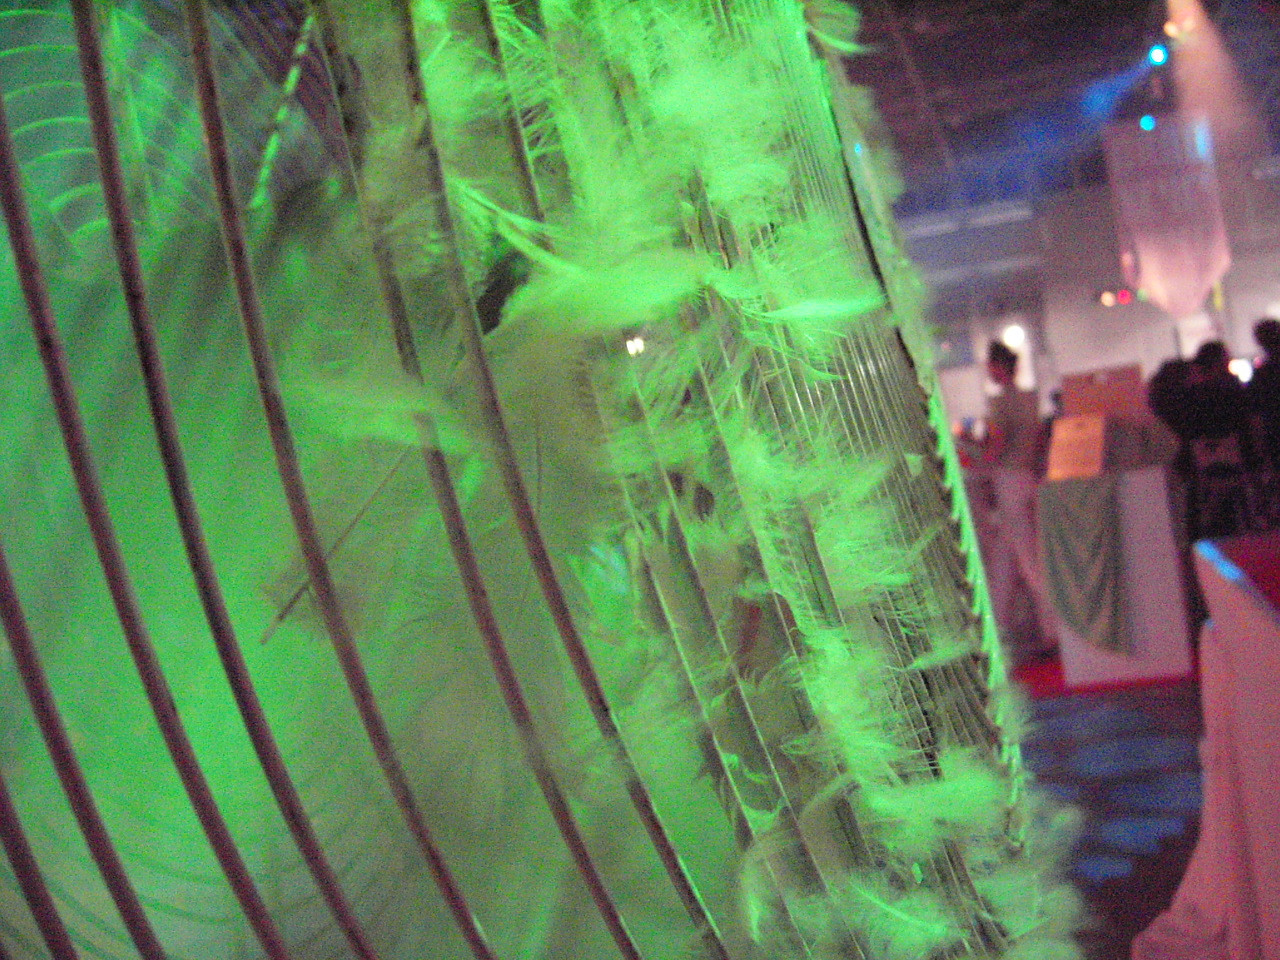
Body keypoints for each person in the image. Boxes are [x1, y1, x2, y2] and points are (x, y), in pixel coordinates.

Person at [981, 340, 1057, 660]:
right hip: (1026, 477)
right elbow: (1038, 441)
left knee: (1026, 558)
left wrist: (981, 464)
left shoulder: (1000, 403)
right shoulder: (1029, 398)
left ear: (999, 367)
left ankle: (1054, 629)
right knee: (1006, 558)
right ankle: (998, 629)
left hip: (1008, 479)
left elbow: (997, 444)